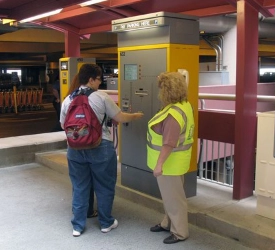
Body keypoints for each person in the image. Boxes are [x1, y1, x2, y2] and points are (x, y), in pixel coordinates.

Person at [60, 64, 143, 237]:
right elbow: (120, 117)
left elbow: (63, 125)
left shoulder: (67, 99)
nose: (100, 83)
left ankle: (78, 226)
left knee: (80, 186)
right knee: (104, 186)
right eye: (99, 79)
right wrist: (135, 116)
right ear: (91, 79)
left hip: (74, 149)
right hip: (100, 147)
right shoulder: (101, 97)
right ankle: (106, 223)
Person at [147, 72, 195, 244]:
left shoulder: (173, 115)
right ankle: (167, 223)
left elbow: (169, 143)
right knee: (170, 197)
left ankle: (180, 232)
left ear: (166, 92)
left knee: (175, 200)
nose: (159, 93)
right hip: (177, 161)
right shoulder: (184, 105)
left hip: (169, 164)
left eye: (161, 89)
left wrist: (159, 165)